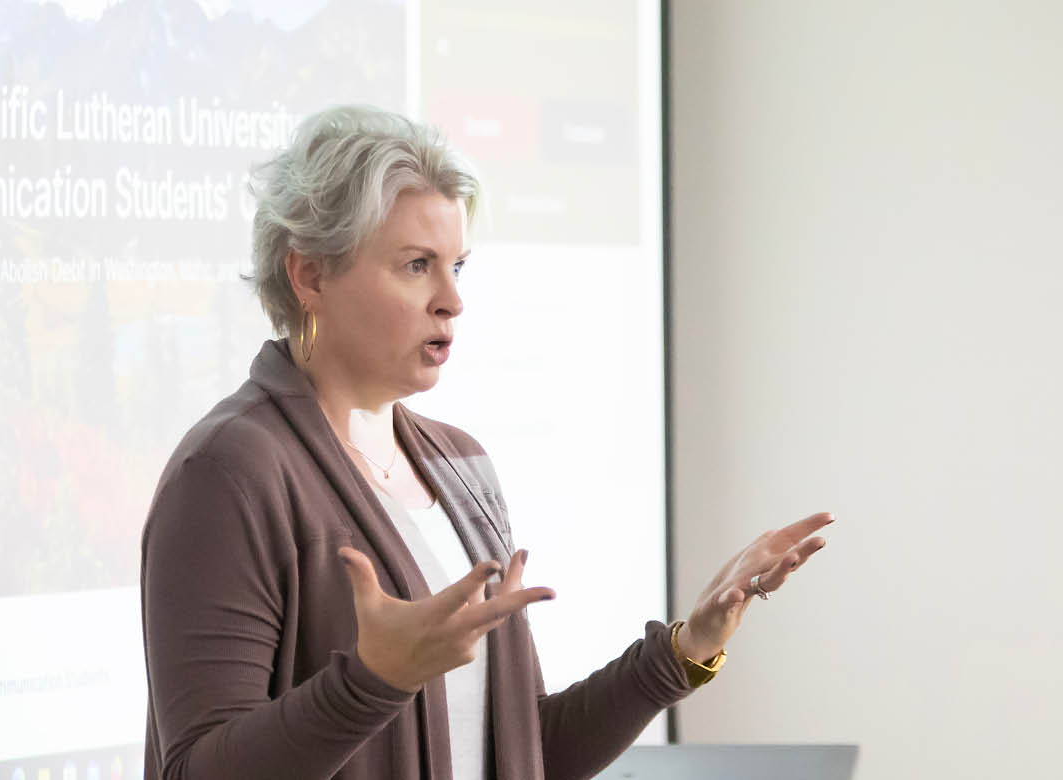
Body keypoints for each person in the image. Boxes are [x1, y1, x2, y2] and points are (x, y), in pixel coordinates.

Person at [139, 105, 831, 780]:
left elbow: (527, 751)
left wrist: (685, 651)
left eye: (457, 266)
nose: (452, 300)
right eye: (416, 265)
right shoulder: (230, 472)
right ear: (310, 274)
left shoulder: (460, 463)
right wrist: (373, 681)